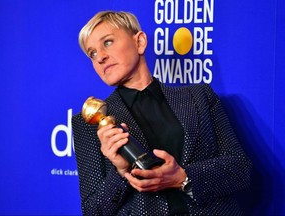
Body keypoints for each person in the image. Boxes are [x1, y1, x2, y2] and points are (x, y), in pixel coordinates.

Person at [72, 10, 252, 216]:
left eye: (108, 42)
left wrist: (183, 178)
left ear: (139, 42)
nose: (100, 57)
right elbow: (93, 211)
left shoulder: (200, 97)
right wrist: (120, 172)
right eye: (92, 53)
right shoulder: (89, 124)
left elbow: (241, 169)